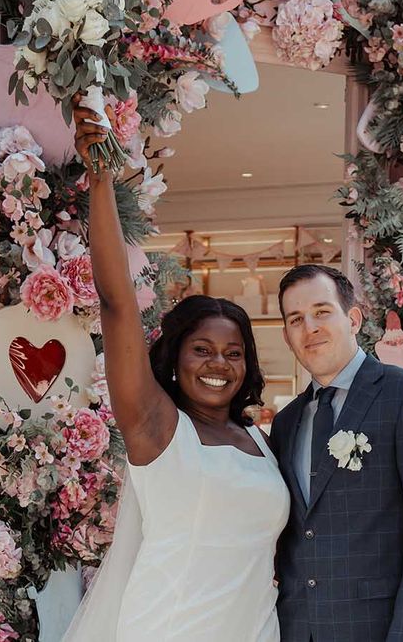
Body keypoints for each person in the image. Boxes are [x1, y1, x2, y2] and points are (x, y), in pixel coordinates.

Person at [61, 94, 290, 642]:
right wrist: (100, 182)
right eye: (202, 350)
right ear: (175, 357)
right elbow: (117, 303)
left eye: (233, 353)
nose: (219, 364)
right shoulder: (157, 428)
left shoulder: (260, 441)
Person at [270, 264, 403, 642]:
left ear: (353, 318)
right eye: (296, 319)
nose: (310, 328)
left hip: (381, 629)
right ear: (287, 337)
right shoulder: (286, 422)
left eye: (322, 312)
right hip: (297, 630)